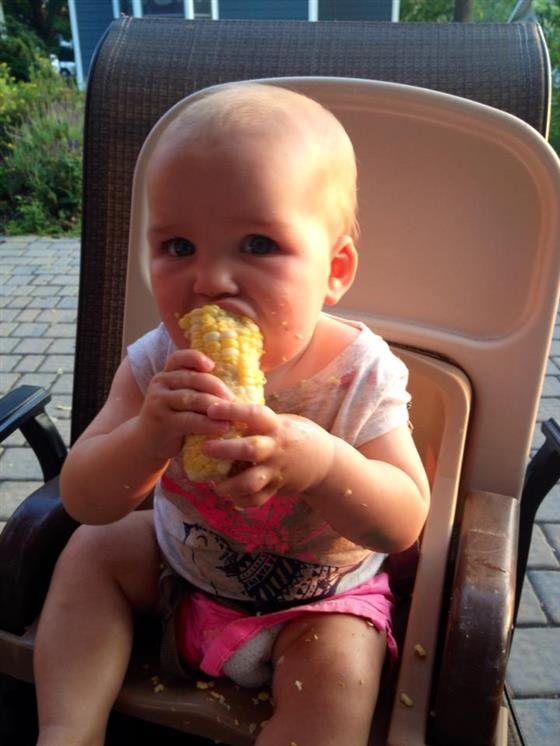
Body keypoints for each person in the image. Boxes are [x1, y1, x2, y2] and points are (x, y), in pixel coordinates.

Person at [34, 82, 430, 746]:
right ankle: (67, 731)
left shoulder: (360, 373)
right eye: (178, 247)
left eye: (257, 244)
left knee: (342, 673)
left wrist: (324, 465)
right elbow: (84, 496)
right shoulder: (156, 361)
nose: (210, 281)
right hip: (178, 574)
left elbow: (404, 521)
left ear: (335, 269)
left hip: (319, 604)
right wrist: (148, 437)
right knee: (93, 550)